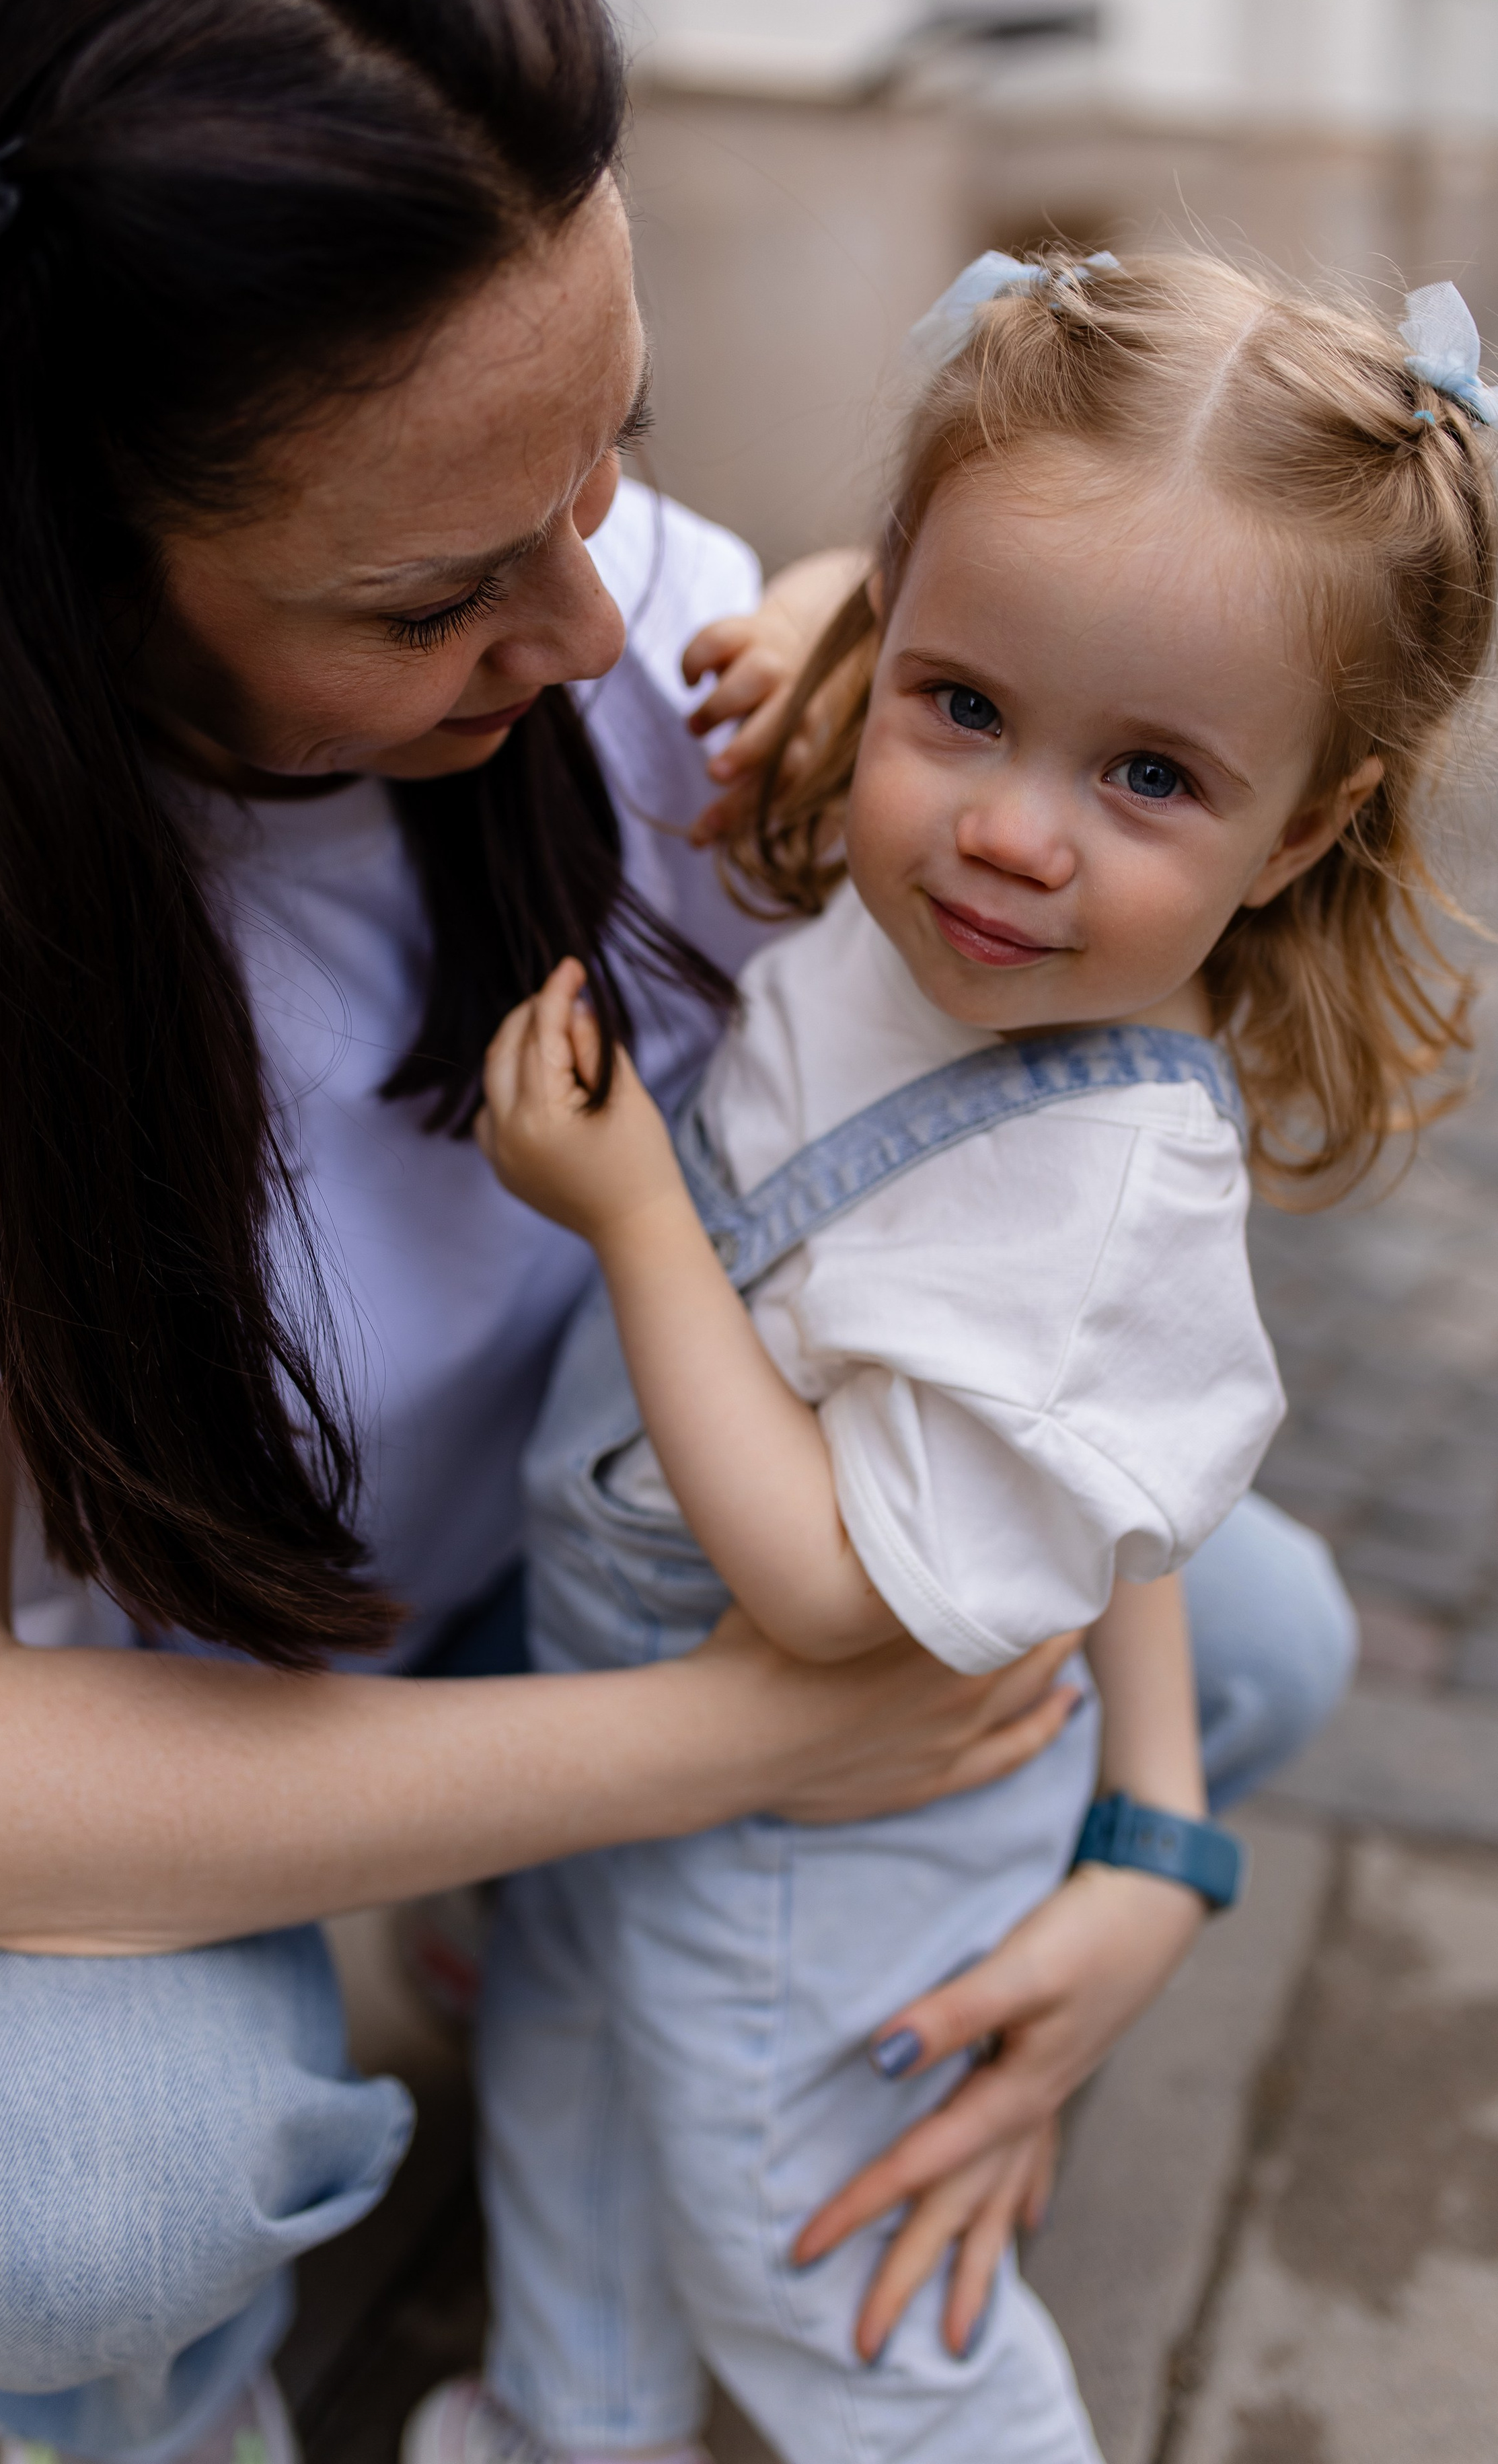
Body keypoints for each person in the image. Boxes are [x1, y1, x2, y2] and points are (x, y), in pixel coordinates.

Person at [0, 0, 1351, 2458]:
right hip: (170, 1706)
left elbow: (1069, 1243)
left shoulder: (624, 623)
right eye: (431, 595)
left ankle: (558, 1938)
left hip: (573, 1546)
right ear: (37, 578)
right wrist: (749, 1748)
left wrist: (1148, 1849)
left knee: (1232, 1645)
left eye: (611, 440)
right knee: (75, 2203)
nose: (599, 622)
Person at [437, 249, 1497, 2464]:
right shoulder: (959, 900)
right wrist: (837, 626)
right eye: (970, 711)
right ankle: (564, 2426)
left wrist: (638, 1218)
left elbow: (832, 1597)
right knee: (571, 2138)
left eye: (1148, 775)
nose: (1017, 829)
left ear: (1300, 830)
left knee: (823, 2271)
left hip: (810, 1858)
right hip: (613, 1731)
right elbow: (964, 633)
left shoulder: (1093, 1194)